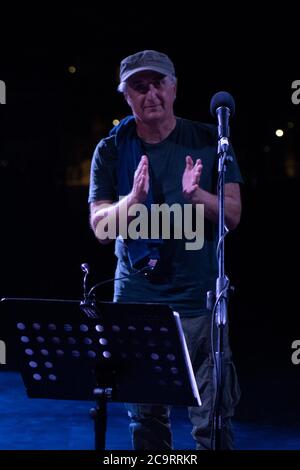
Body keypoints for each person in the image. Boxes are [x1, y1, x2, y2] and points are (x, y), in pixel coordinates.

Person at [88, 50, 242, 450]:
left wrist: (197, 196)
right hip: (138, 304)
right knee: (146, 423)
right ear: (126, 96)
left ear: (174, 88)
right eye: (139, 87)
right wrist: (133, 199)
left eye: (158, 83)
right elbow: (102, 230)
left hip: (198, 302)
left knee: (213, 423)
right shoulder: (111, 149)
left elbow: (232, 215)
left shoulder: (210, 140)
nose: (150, 93)